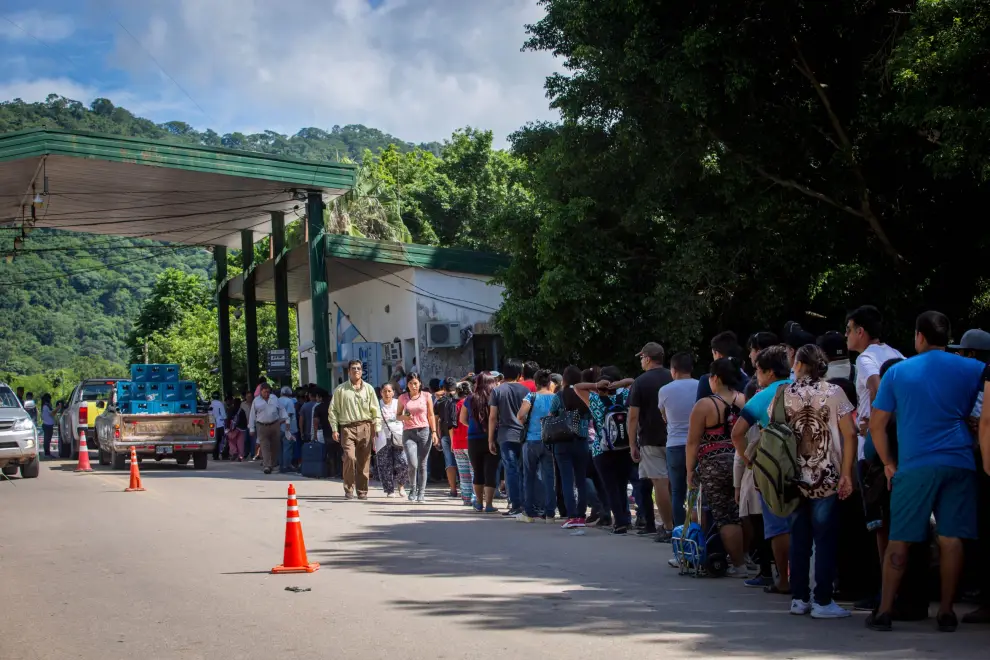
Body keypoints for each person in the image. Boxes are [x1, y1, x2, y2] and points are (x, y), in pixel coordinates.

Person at [867, 311, 986, 633]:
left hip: (915, 464)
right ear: (948, 338)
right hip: (959, 461)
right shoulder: (975, 368)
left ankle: (885, 610)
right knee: (951, 539)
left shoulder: (899, 372)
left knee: (900, 540)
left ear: (919, 336)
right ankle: (947, 611)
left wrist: (889, 462)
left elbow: (877, 424)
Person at [778, 345, 858, 619]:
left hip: (793, 478)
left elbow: (771, 429)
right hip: (827, 478)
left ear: (799, 364)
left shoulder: (784, 393)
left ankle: (799, 599)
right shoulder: (835, 393)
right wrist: (846, 472)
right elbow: (850, 434)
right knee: (825, 540)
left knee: (798, 539)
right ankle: (822, 600)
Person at [731, 345, 794, 595]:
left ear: (768, 372)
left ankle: (785, 580)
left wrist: (749, 461)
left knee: (779, 525)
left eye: (757, 370)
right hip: (810, 465)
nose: (756, 375)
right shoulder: (803, 389)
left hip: (775, 467)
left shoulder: (764, 396)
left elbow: (737, 433)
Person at [685, 358, 748, 577]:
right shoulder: (745, 400)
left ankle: (739, 565)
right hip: (744, 460)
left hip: (714, 465)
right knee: (744, 512)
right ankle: (752, 558)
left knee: (725, 516)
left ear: (715, 378)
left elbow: (693, 441)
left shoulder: (705, 405)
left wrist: (690, 470)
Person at [950, 328, 990, 625]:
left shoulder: (979, 383)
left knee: (981, 532)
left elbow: (982, 423)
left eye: (963, 352)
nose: (960, 357)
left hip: (981, 462)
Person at [573, 366, 636, 534]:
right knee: (622, 485)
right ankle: (626, 519)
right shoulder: (625, 396)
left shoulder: (594, 400)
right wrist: (619, 384)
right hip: (625, 447)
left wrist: (597, 385)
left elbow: (577, 387)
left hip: (602, 449)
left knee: (610, 486)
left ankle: (620, 522)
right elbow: (633, 382)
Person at [627, 342, 674, 540]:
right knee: (675, 483)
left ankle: (668, 526)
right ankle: (681, 522)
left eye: (641, 358)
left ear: (647, 358)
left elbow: (633, 417)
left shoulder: (640, 382)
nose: (641, 361)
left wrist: (632, 444)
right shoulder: (674, 376)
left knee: (660, 483)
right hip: (676, 438)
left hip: (650, 439)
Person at [846, 305, 904, 460]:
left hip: (873, 447)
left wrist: (874, 425)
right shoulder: (897, 354)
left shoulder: (865, 358)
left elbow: (877, 388)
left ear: (860, 332)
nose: (846, 335)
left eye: (849, 330)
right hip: (898, 439)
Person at [328, 360, 382, 500]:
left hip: (366, 426)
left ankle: (362, 491)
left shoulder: (368, 389)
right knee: (350, 458)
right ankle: (349, 489)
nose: (356, 370)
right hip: (347, 428)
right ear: (348, 371)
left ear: (362, 371)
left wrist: (377, 428)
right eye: (353, 368)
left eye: (358, 368)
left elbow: (375, 409)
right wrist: (335, 429)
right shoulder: (341, 390)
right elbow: (333, 410)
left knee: (364, 461)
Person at [657, 351, 698, 532]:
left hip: (674, 444)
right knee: (697, 490)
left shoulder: (665, 390)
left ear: (673, 370)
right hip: (697, 443)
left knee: (677, 491)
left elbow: (664, 416)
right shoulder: (701, 386)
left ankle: (680, 532)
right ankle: (697, 529)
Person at [488, 359, 530, 516]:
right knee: (524, 470)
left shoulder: (498, 391)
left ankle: (515, 505)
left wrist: (490, 439)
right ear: (520, 374)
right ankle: (527, 505)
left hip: (505, 436)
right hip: (524, 435)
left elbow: (493, 417)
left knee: (510, 470)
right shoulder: (526, 391)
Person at [516, 369, 557, 522]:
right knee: (549, 477)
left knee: (529, 476)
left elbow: (520, 415)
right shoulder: (556, 398)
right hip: (550, 441)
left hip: (532, 440)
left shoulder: (531, 397)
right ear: (549, 383)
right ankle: (550, 514)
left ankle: (528, 513)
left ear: (536, 383)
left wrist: (523, 422)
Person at [397, 372, 438, 503]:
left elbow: (431, 415)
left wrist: (434, 432)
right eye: (410, 383)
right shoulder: (403, 398)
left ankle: (422, 492)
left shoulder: (426, 396)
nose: (413, 386)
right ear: (407, 385)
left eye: (415, 383)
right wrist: (404, 417)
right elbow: (398, 415)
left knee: (422, 464)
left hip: (424, 431)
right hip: (408, 432)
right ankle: (412, 488)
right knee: (412, 464)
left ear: (420, 383)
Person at [462, 372, 500, 513]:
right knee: (490, 471)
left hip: (473, 439)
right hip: (492, 438)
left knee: (477, 471)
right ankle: (489, 504)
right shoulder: (494, 397)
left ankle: (479, 503)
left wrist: (473, 425)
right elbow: (495, 417)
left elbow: (462, 419)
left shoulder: (470, 398)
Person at [248, 382, 289, 475]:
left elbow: (281, 409)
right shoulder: (256, 401)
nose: (267, 394)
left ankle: (273, 464)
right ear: (261, 392)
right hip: (262, 425)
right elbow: (252, 415)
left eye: (268, 392)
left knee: (275, 445)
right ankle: (267, 465)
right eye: (265, 392)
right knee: (264, 445)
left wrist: (286, 420)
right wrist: (251, 428)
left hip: (275, 424)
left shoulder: (274, 398)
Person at [376, 383, 408, 498]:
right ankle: (389, 490)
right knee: (385, 465)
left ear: (393, 392)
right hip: (382, 438)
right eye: (384, 391)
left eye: (389, 391)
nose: (387, 393)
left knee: (403, 463)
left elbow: (406, 416)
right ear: (381, 393)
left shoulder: (398, 403)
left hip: (398, 436)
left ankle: (401, 486)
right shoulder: (376, 405)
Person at [697, 332, 749, 400]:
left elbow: (699, 408)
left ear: (718, 354)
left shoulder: (707, 380)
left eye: (713, 354)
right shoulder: (748, 381)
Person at [435, 377, 461, 498]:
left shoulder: (440, 402)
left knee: (449, 462)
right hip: (461, 434)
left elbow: (437, 420)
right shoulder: (461, 399)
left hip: (445, 435)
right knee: (465, 462)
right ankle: (466, 487)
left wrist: (437, 434)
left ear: (443, 388)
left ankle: (453, 489)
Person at [452, 381, 474, 506]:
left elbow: (450, 426)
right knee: (473, 471)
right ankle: (475, 498)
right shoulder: (471, 404)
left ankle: (466, 498)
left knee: (463, 473)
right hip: (470, 441)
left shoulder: (454, 405)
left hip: (457, 442)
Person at [277, 386, 298, 473]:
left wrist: (277, 423)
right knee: (287, 447)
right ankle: (286, 466)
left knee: (280, 448)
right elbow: (288, 415)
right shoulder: (289, 401)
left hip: (278, 428)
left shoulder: (277, 401)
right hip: (287, 428)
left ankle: (281, 465)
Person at [209, 392, 227, 461]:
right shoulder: (220, 404)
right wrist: (226, 424)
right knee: (221, 440)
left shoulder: (210, 404)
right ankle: (222, 455)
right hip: (220, 424)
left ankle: (215, 455)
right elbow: (223, 415)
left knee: (214, 440)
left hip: (212, 424)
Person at [39, 393, 55, 458]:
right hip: (47, 425)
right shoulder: (46, 406)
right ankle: (47, 453)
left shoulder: (44, 406)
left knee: (47, 440)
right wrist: (58, 408)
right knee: (47, 440)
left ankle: (47, 453)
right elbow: (52, 413)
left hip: (47, 425)